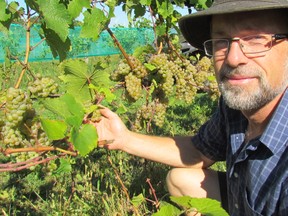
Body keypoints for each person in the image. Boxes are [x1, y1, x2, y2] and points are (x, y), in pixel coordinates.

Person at [93, 0, 288, 215]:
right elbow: (199, 151)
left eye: (254, 39)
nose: (233, 59)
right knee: (181, 179)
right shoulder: (235, 108)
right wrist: (123, 139)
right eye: (221, 41)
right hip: (240, 196)